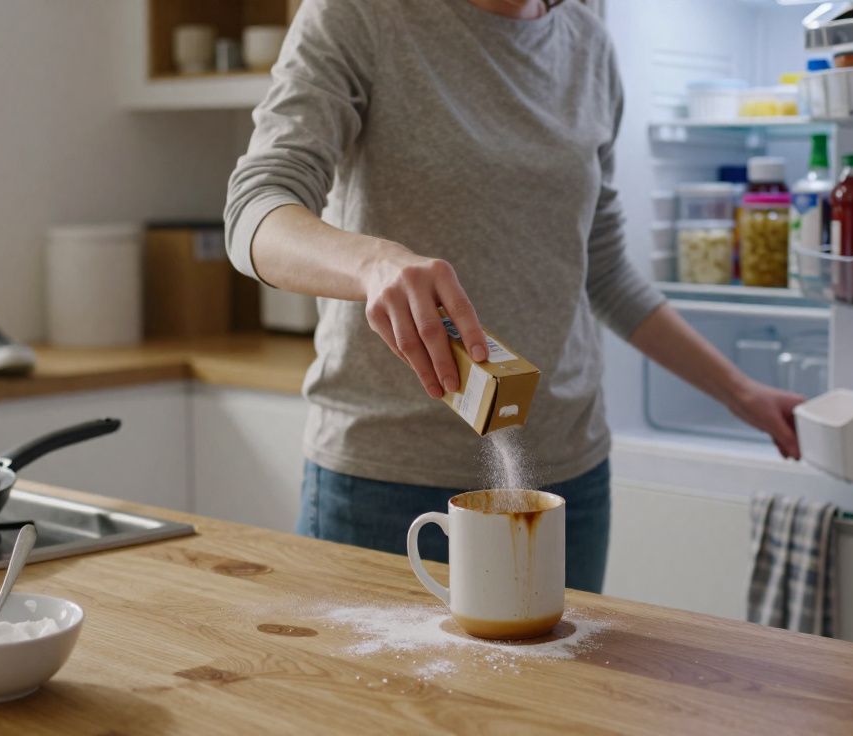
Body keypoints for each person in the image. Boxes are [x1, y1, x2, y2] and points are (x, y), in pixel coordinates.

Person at [224, 0, 802, 593]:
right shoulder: (360, 15)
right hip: (386, 478)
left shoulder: (587, 44)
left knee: (556, 687)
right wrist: (373, 264)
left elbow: (601, 268)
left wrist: (742, 393)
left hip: (564, 476)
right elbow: (255, 213)